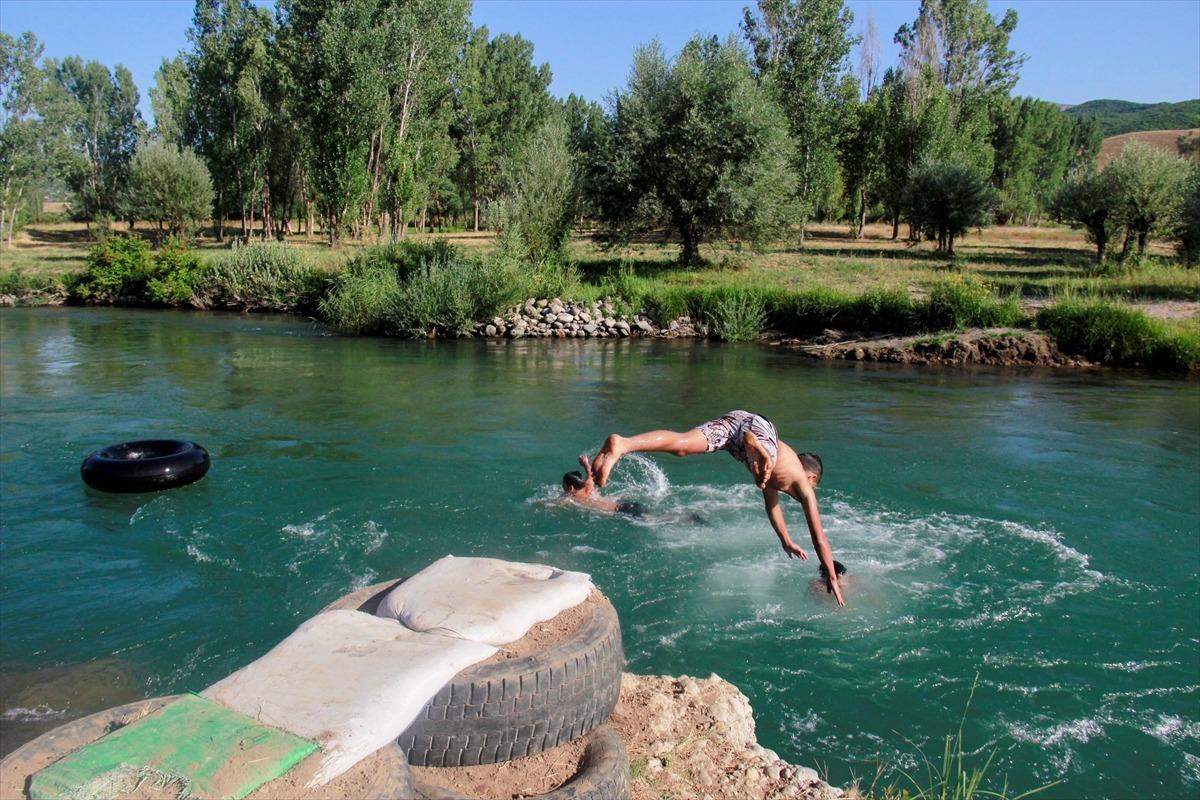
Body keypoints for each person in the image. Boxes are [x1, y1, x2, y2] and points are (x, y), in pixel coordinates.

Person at [590, 410, 845, 605]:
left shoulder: (776, 479)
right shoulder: (803, 484)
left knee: (682, 446)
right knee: (767, 453)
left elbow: (773, 509)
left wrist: (786, 540)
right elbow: (819, 537)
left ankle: (623, 444)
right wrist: (832, 577)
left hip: (737, 425)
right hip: (759, 432)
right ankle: (755, 446)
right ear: (813, 478)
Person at [560, 454, 648, 518]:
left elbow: (553, 505)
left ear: (570, 488)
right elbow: (590, 473)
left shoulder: (571, 499)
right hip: (625, 504)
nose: (562, 486)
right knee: (654, 517)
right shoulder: (588, 486)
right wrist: (585, 463)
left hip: (621, 512)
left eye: (563, 484)